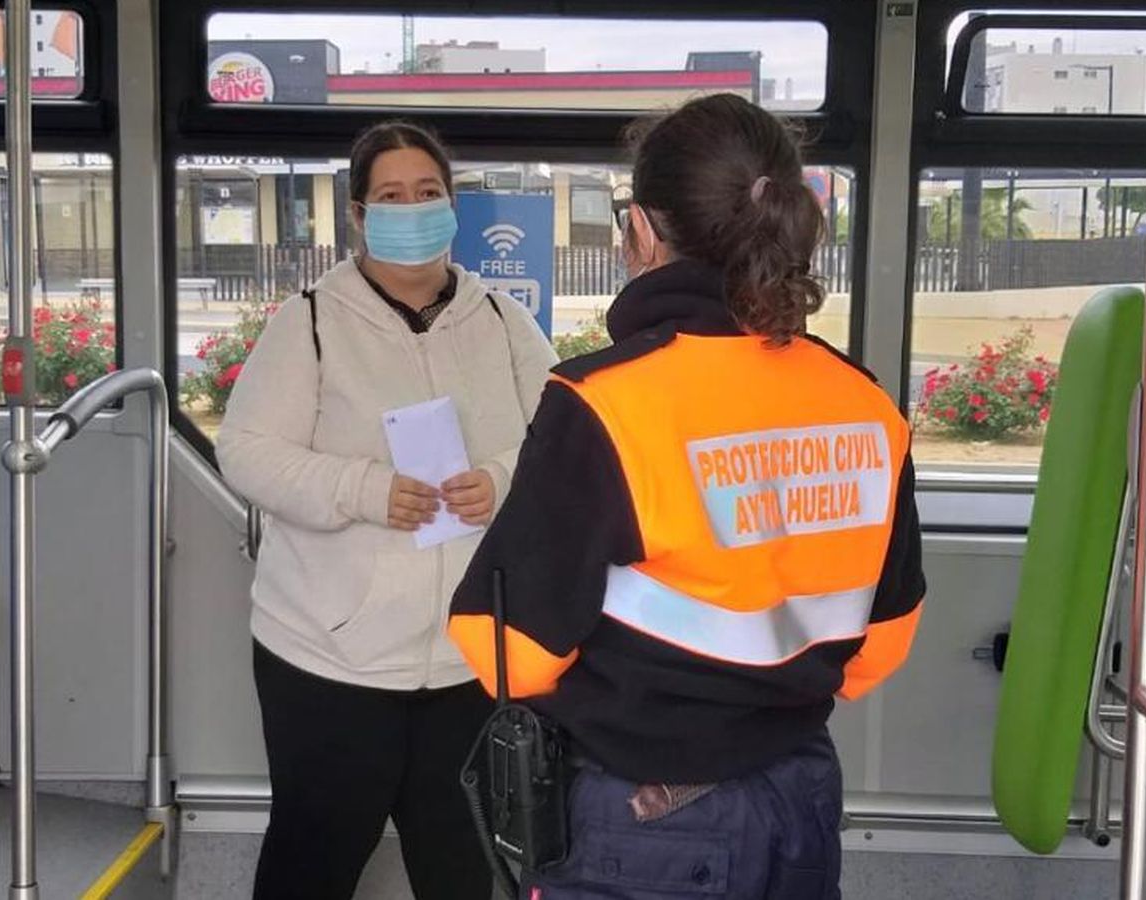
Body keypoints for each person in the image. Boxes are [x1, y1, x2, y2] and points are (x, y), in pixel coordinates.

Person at [448, 94, 926, 898]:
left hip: (644, 813)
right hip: (800, 790)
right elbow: (882, 644)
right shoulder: (865, 402)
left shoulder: (605, 401)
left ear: (641, 230)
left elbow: (509, 650)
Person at [218, 120, 558, 900]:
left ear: (452, 205)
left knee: (464, 867)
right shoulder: (309, 323)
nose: (413, 209)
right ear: (359, 215)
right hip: (329, 658)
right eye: (392, 196)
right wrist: (362, 489)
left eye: (428, 192)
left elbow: (561, 444)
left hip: (468, 659)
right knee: (313, 860)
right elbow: (247, 452)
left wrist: (501, 479)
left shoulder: (503, 322)